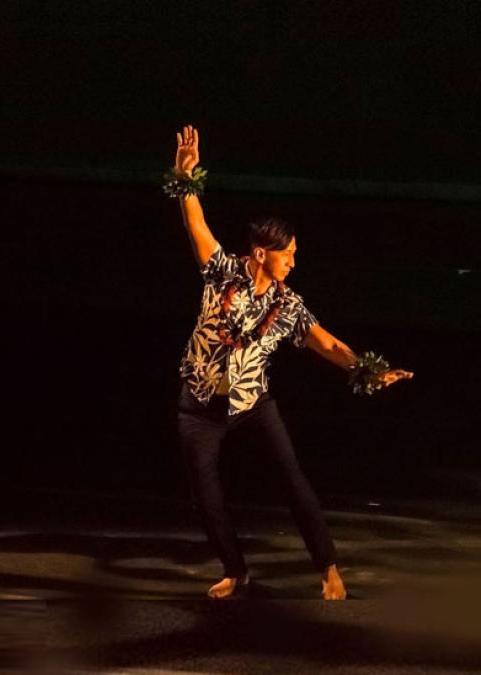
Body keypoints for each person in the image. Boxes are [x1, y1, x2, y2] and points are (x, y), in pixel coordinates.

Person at [171, 124, 413, 600]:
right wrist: (186, 177)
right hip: (199, 405)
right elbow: (196, 223)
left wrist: (368, 370)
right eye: (288, 255)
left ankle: (329, 570)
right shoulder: (222, 272)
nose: (293, 262)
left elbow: (326, 344)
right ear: (261, 253)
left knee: (292, 479)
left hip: (253, 402)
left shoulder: (290, 306)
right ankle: (235, 571)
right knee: (207, 495)